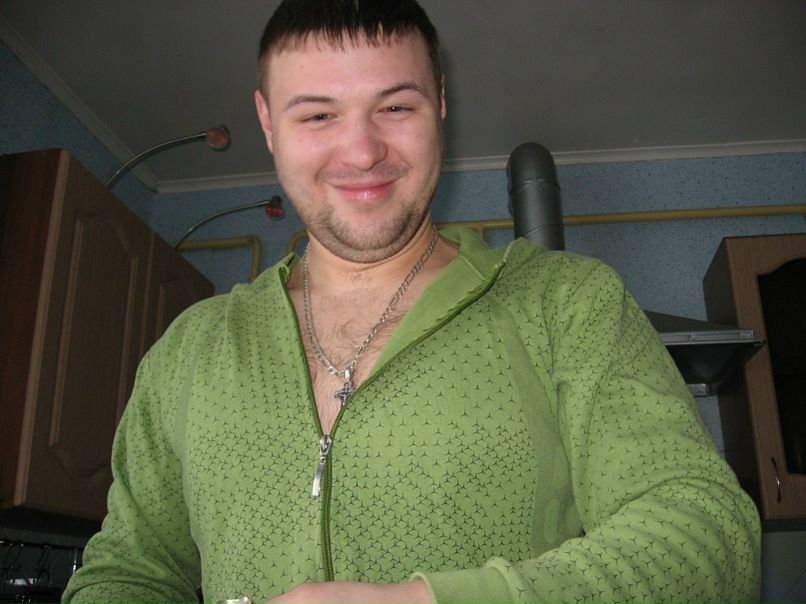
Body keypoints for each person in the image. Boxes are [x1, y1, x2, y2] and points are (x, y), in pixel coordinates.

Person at [63, 1, 760, 602]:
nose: (362, 152)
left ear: (441, 104)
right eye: (318, 115)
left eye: (395, 107)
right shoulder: (188, 349)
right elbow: (129, 572)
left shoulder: (567, 303)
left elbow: (709, 539)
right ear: (267, 122)